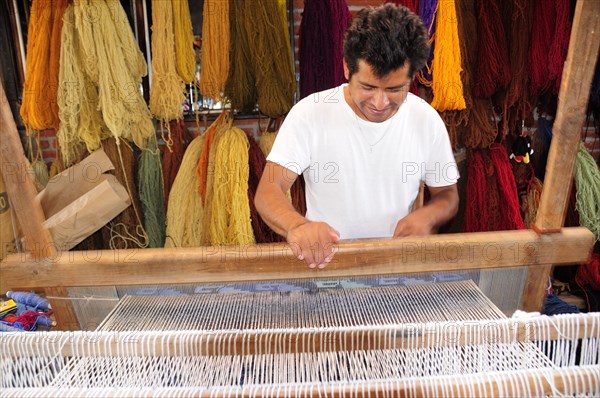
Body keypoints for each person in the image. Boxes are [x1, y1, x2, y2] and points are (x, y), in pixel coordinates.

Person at [255, 4, 459, 269]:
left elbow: (447, 195)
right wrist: (297, 225)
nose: (380, 102)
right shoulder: (310, 113)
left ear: (411, 79)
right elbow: (268, 190)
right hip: (327, 265)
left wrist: (429, 216)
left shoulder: (425, 119)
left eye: (395, 89)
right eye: (368, 87)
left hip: (395, 266)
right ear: (346, 69)